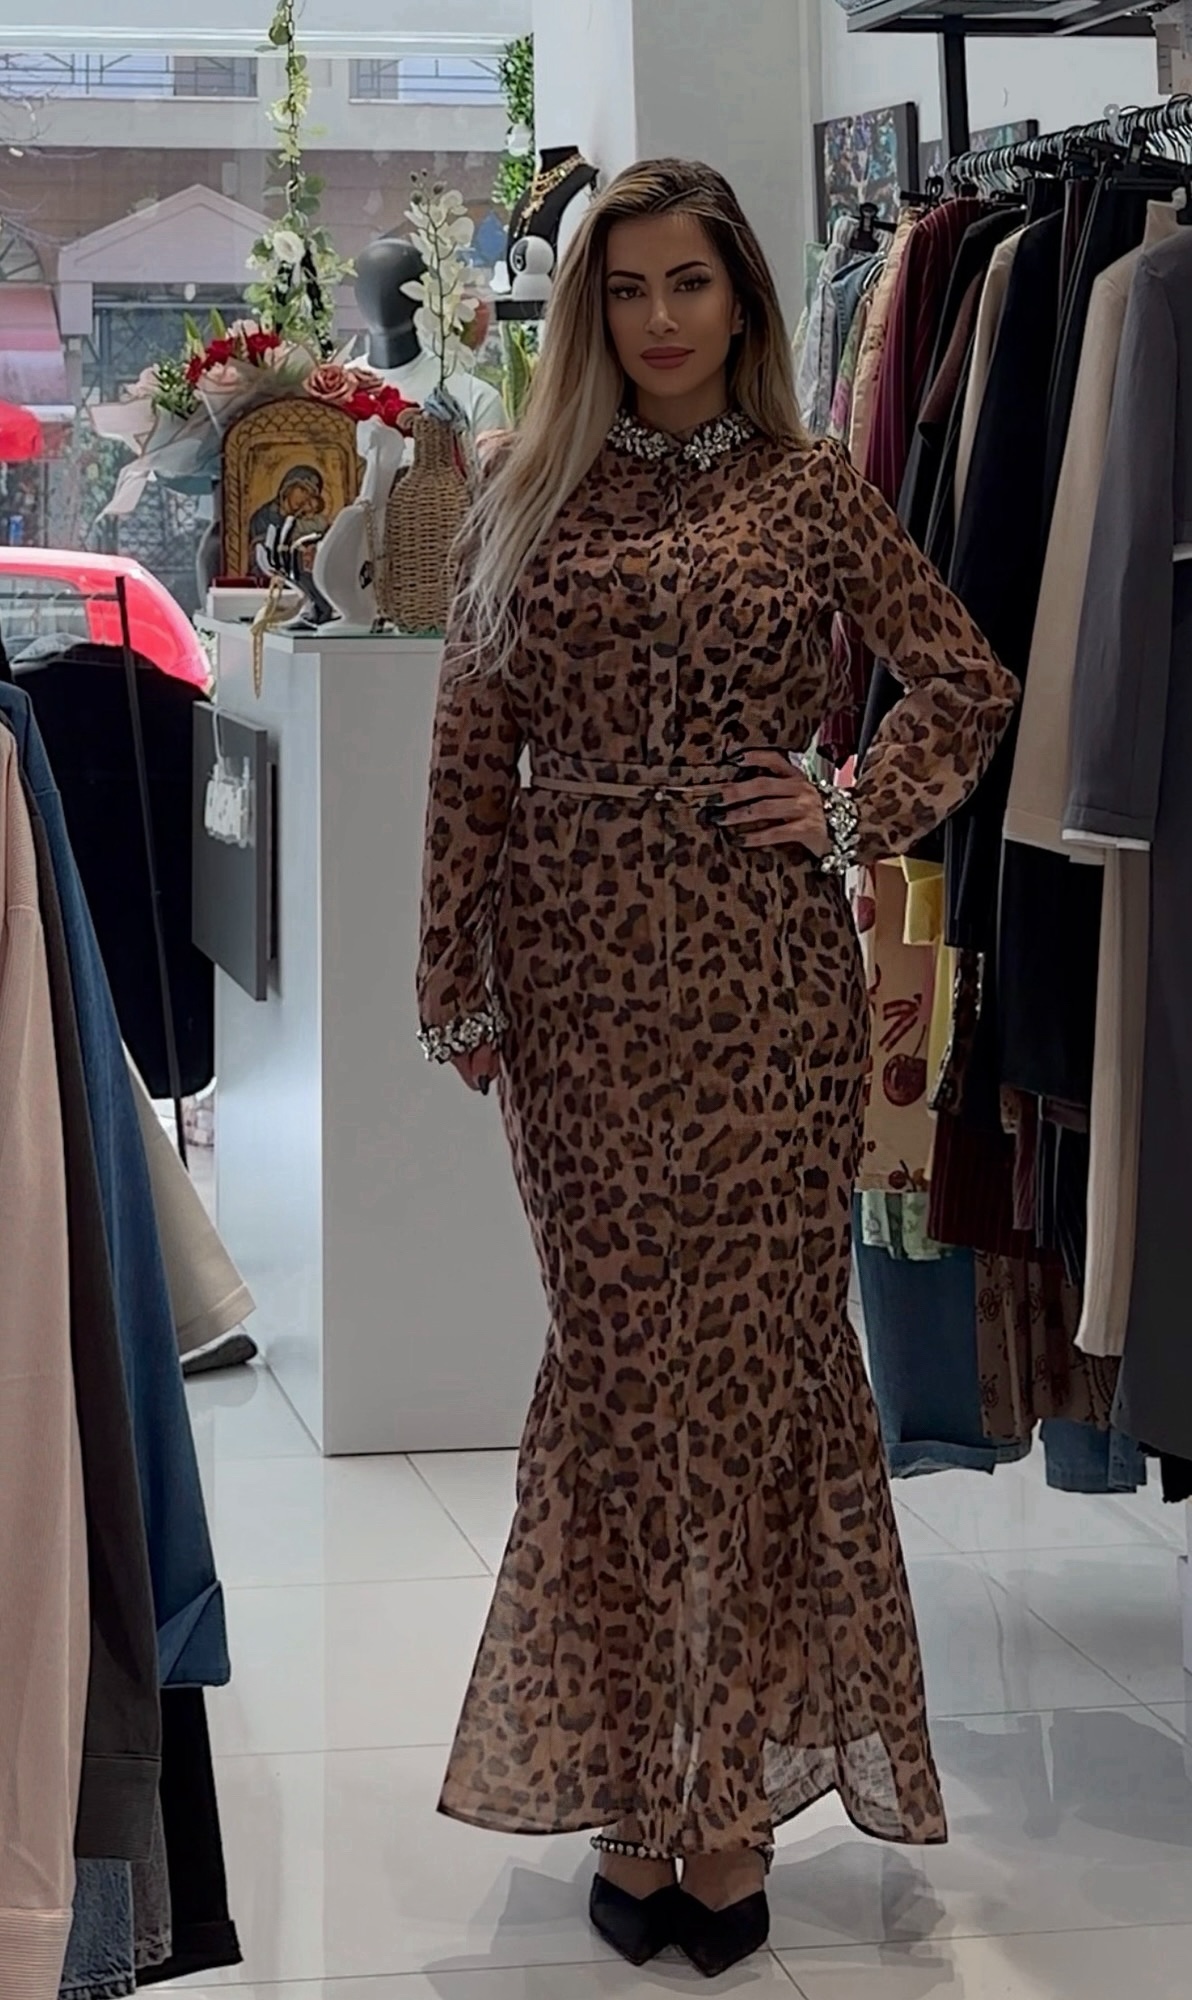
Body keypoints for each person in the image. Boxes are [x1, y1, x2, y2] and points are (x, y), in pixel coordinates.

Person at [416, 158, 1015, 1979]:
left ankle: (731, 1800)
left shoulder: (811, 490)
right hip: (576, 990)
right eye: (625, 290)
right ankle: (628, 1789)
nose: (658, 319)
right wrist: (451, 975)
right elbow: (469, 746)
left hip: (768, 991)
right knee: (616, 1378)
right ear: (589, 315)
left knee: (757, 1380)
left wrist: (844, 807)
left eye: (688, 283)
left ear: (744, 298)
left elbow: (965, 682)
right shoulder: (524, 490)